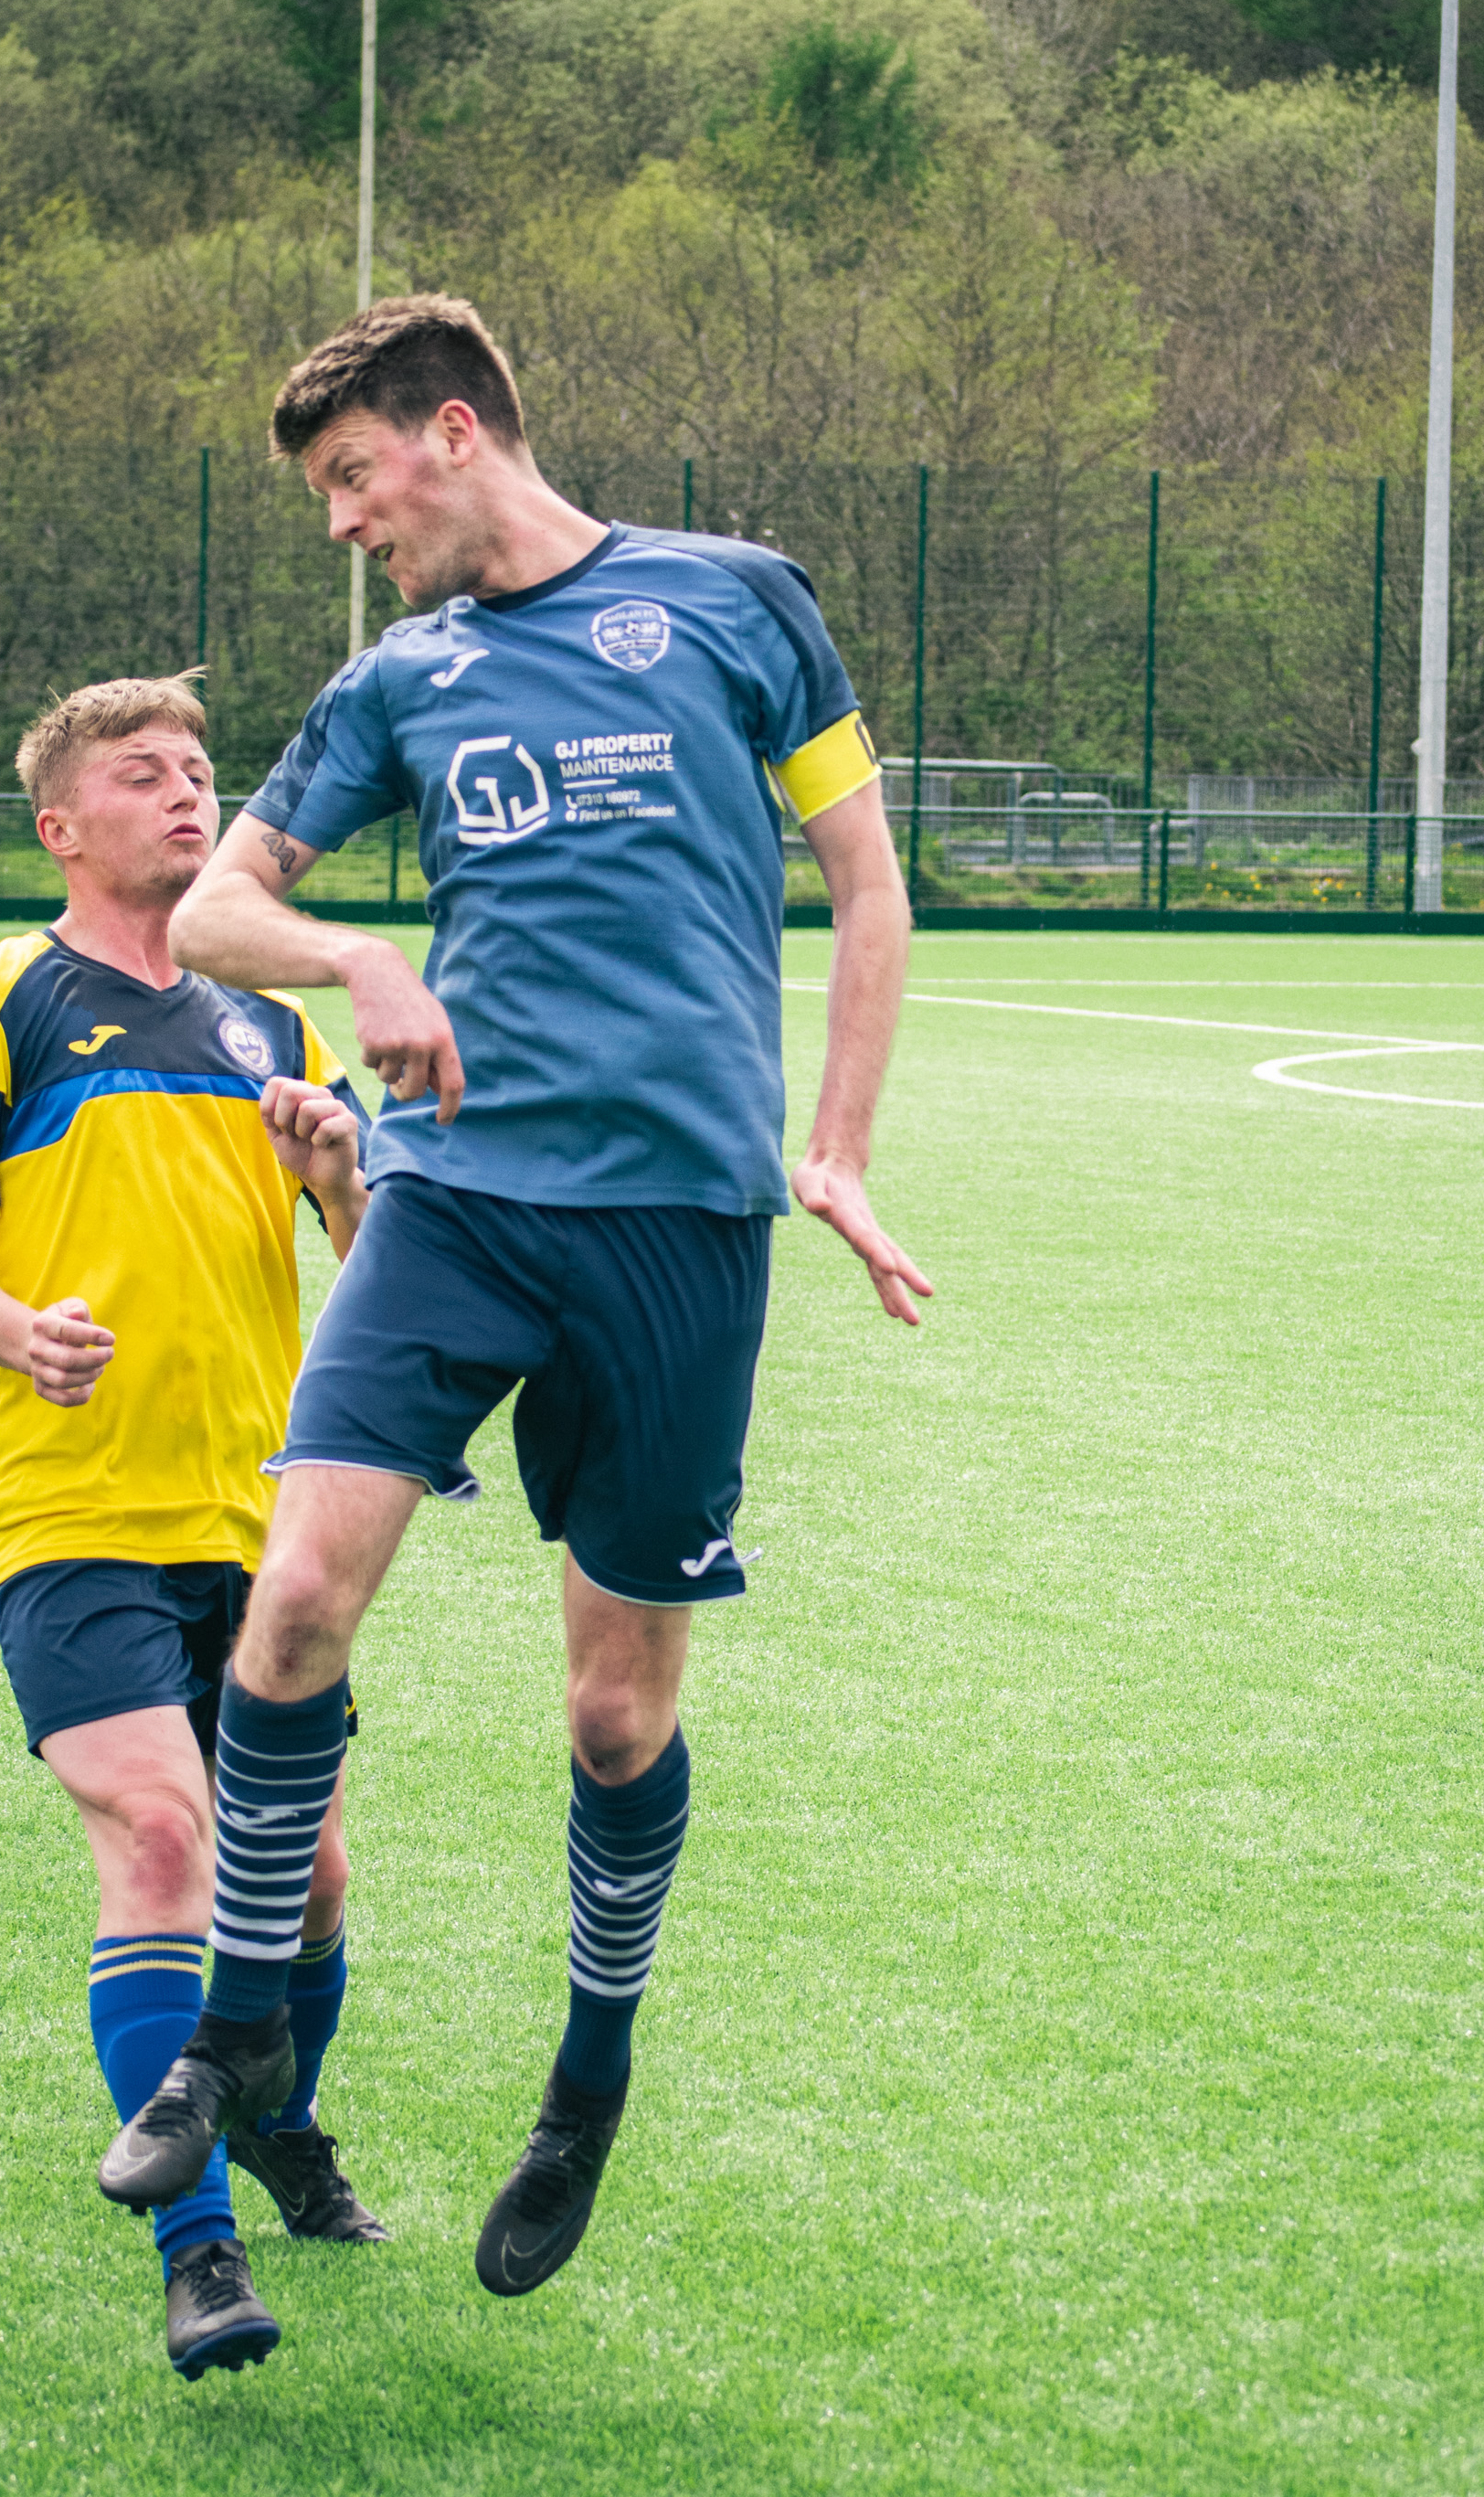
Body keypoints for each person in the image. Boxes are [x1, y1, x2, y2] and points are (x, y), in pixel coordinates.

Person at [98, 292, 928, 2302]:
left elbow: (870, 878)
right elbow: (214, 903)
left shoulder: (740, 605)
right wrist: (362, 963)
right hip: (456, 1198)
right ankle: (234, 2033)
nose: (343, 528)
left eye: (353, 482)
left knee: (614, 1710)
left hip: (679, 1227)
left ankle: (588, 2080)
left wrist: (838, 1142)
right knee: (293, 1605)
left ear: (453, 433)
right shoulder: (403, 677)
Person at [0, 675, 391, 2384]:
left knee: (303, 1886)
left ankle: (284, 2125)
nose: (186, 795)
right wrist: (18, 1329)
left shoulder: (271, 1027)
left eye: (199, 774)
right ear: (60, 826)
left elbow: (376, 1259)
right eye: (142, 775)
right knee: (165, 1840)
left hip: (266, 1527)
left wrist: (335, 1173)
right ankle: (200, 2251)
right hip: (74, 1509)